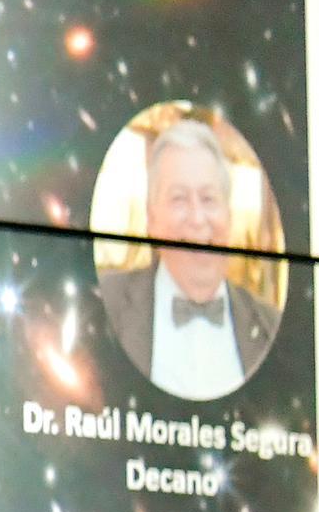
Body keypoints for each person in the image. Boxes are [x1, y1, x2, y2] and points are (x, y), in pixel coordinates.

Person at [98, 115, 280, 399]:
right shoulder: (102, 304)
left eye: (208, 199)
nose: (197, 219)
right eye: (179, 199)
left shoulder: (270, 326)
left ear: (229, 217)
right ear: (151, 219)